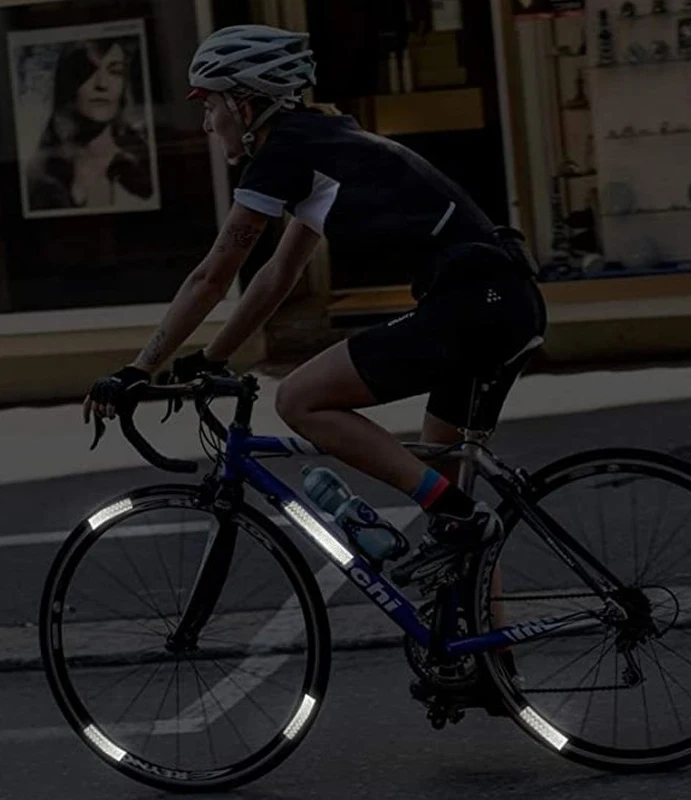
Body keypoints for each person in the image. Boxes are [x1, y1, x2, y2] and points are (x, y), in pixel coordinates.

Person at [85, 25, 547, 702]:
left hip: (473, 303)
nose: (207, 122)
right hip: (499, 302)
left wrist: (138, 370)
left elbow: (217, 272)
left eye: (210, 105)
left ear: (246, 104)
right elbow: (274, 277)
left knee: (301, 399)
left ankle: (461, 519)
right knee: (448, 485)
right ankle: (492, 669)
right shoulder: (322, 146)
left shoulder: (287, 150)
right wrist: (209, 358)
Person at [27, 37, 153, 212]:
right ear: (69, 83)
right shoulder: (41, 173)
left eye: (115, 71)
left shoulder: (147, 159)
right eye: (87, 72)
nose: (101, 84)